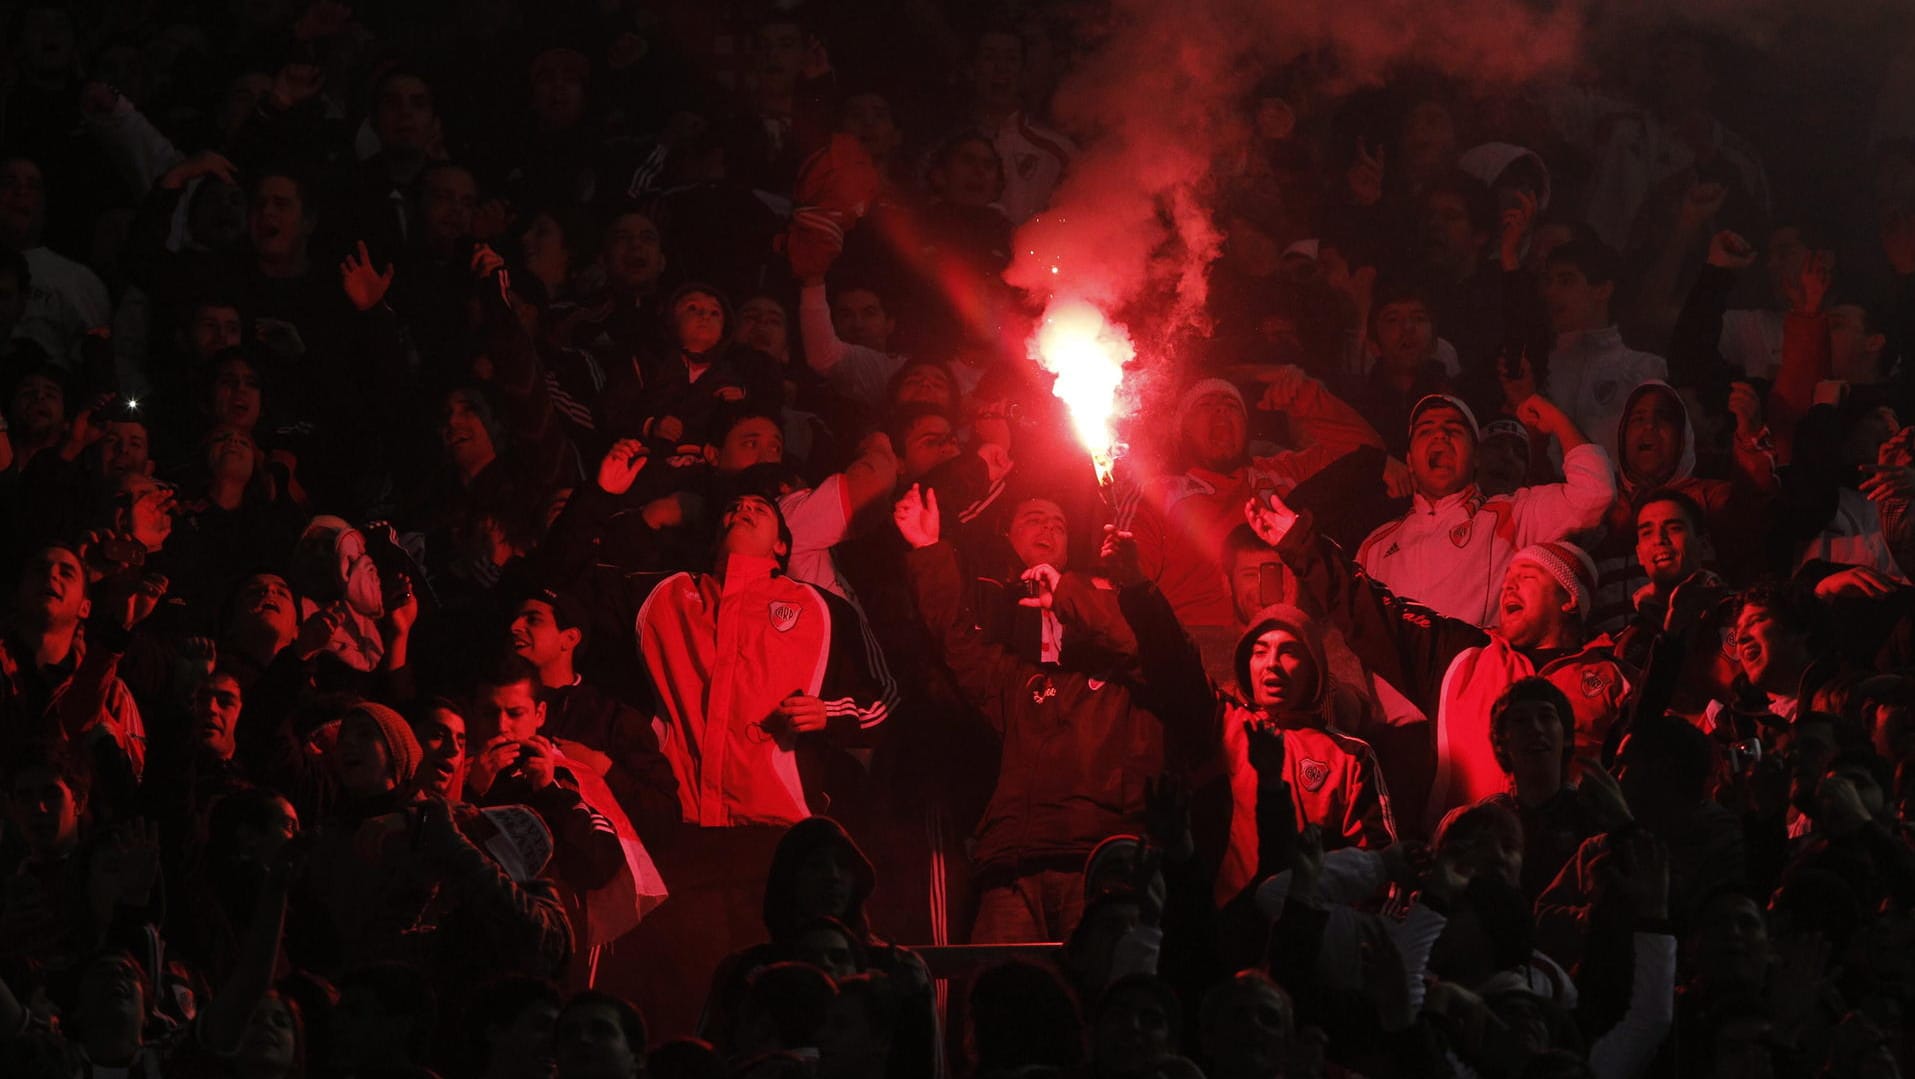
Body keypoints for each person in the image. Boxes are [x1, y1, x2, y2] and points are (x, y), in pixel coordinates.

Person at [896, 485, 1210, 942]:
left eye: (1097, 599)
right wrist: (928, 551)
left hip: (1103, 869)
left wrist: (1077, 591)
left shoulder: (1151, 688)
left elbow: (1160, 650)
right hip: (1013, 872)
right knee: (997, 1003)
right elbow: (959, 643)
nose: (1083, 609)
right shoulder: (1031, 685)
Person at [1246, 489, 1630, 833]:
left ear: (1569, 599)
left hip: (1567, 864)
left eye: (1528, 576)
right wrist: (1302, 547)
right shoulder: (1463, 655)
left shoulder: (1614, 675)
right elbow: (1377, 612)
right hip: (1467, 865)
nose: (1509, 585)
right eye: (1507, 575)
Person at [1357, 393, 1613, 627]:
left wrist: (1556, 418)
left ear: (1476, 456)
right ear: (1410, 461)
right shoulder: (1375, 547)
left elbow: (1593, 494)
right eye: (1426, 431)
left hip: (1482, 676)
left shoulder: (1510, 514)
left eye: (1453, 429)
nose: (1440, 435)